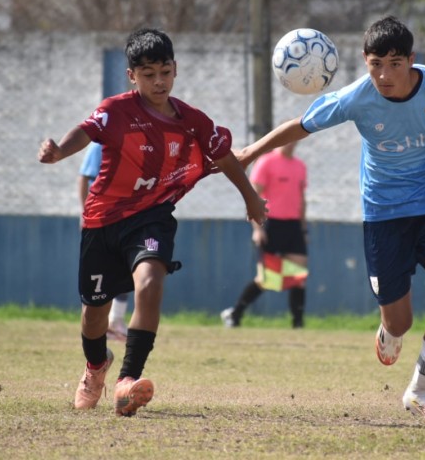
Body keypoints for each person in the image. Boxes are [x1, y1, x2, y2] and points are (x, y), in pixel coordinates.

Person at [234, 16, 425, 428]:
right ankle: (389, 330)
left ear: (411, 61)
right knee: (401, 320)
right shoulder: (357, 97)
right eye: (375, 64)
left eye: (394, 64)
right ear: (365, 62)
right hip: (385, 213)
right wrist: (250, 152)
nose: (384, 74)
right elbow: (302, 125)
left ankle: (420, 391)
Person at [38, 27, 268, 417]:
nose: (158, 81)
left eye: (164, 71)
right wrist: (60, 150)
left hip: (152, 216)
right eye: (148, 74)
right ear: (133, 76)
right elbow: (86, 131)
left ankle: (127, 381)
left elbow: (226, 157)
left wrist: (250, 198)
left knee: (150, 281)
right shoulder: (116, 110)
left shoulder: (192, 120)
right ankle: (96, 367)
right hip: (103, 220)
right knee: (94, 313)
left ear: (175, 69)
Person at [221, 140, 308, 329]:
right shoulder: (266, 162)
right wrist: (257, 229)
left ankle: (298, 323)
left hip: (293, 226)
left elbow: (302, 200)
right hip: (271, 224)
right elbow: (253, 197)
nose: (291, 142)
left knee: (299, 276)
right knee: (268, 279)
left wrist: (303, 228)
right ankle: (234, 314)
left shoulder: (300, 166)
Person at [78, 141, 130, 343]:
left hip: (124, 217)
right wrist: (85, 212)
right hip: (99, 218)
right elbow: (84, 177)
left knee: (126, 268)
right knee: (100, 273)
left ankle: (116, 320)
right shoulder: (100, 144)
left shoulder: (133, 141)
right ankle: (99, 325)